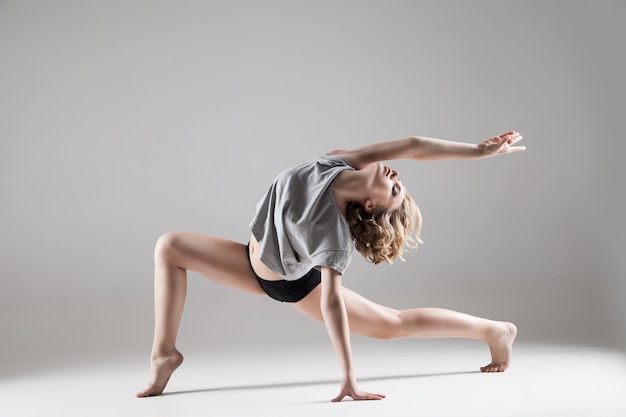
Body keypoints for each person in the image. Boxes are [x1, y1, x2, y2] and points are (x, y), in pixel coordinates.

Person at [136, 131, 525, 402]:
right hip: (249, 259)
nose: (396, 176)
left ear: (370, 206)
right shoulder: (339, 162)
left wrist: (349, 378)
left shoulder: (332, 235)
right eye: (398, 183)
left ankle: (494, 331)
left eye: (394, 191)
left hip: (290, 284)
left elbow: (332, 304)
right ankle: (164, 355)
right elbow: (412, 146)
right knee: (169, 247)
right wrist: (478, 150)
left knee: (392, 324)